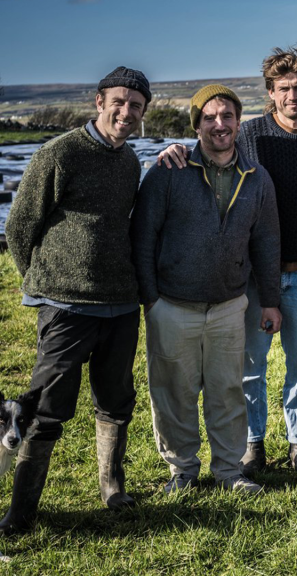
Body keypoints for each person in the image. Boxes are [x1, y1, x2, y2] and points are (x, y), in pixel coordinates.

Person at [158, 46, 297, 476]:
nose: (292, 95)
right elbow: (211, 148)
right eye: (283, 88)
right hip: (256, 276)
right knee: (249, 367)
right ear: (271, 93)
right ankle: (252, 444)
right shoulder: (249, 134)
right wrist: (175, 151)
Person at [3, 67, 151, 533]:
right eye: (119, 102)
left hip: (122, 304)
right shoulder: (59, 153)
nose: (126, 113)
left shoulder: (130, 162)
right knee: (46, 409)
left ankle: (113, 487)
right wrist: (44, 283)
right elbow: (19, 228)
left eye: (136, 107)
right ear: (99, 101)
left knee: (116, 399)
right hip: (66, 307)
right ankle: (22, 511)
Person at [132, 85, 282, 494]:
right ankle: (182, 469)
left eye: (228, 116)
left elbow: (267, 242)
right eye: (210, 117)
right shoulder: (169, 171)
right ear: (197, 124)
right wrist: (151, 300)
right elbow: (143, 236)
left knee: (227, 391)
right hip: (172, 304)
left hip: (230, 305)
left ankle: (229, 471)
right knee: (173, 393)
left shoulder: (256, 177)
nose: (220, 124)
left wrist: (270, 301)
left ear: (238, 121)